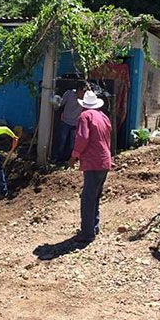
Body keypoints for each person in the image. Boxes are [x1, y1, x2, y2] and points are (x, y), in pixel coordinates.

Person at [68, 90, 112, 243]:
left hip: (93, 162)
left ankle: (87, 233)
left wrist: (74, 155)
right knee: (95, 195)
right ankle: (94, 226)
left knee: (87, 198)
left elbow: (82, 138)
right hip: (104, 160)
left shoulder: (85, 116)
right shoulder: (103, 117)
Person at [52, 81, 86, 164]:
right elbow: (61, 103)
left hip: (76, 123)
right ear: (77, 90)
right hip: (66, 121)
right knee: (62, 141)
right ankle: (57, 158)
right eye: (82, 92)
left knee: (73, 143)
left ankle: (70, 160)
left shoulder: (86, 98)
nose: (83, 94)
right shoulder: (69, 94)